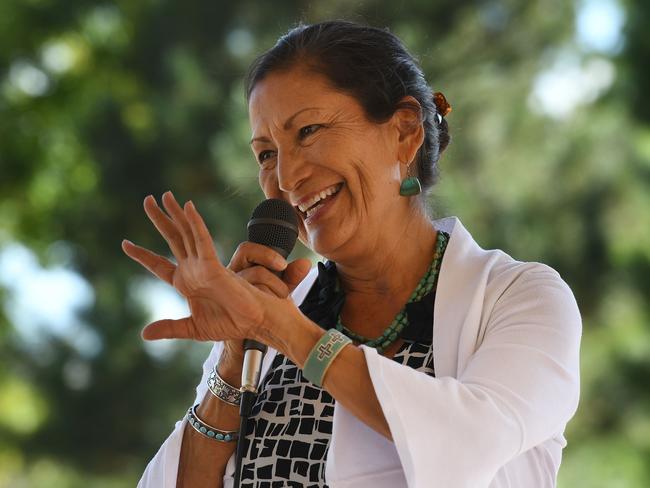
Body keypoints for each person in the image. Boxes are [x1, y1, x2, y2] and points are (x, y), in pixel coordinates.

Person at [122, 20, 581, 488]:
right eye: (265, 154)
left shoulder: (521, 298)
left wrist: (281, 329)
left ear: (404, 132)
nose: (285, 177)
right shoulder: (272, 318)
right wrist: (232, 360)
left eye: (308, 131)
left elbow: (470, 442)